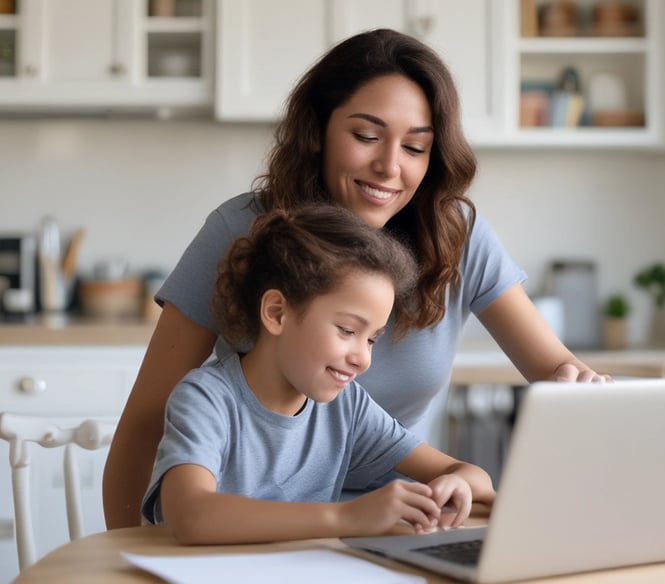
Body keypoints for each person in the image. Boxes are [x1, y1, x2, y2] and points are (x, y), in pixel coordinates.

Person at [104, 28, 609, 529]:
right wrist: (123, 558)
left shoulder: (455, 238)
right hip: (250, 523)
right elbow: (149, 425)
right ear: (318, 132)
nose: (389, 166)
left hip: (400, 521)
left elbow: (555, 372)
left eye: (415, 147)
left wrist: (576, 385)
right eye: (366, 136)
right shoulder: (242, 234)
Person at [141, 205, 496, 544]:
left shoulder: (347, 407)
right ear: (277, 313)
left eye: (372, 339)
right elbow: (191, 515)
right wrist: (346, 517)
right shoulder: (206, 399)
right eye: (346, 330)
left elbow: (471, 476)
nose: (362, 358)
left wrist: (457, 484)